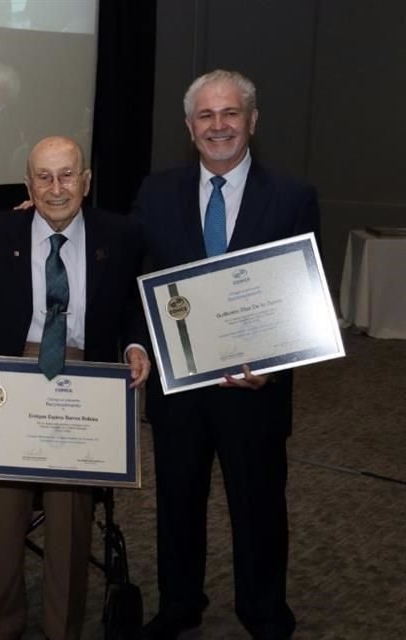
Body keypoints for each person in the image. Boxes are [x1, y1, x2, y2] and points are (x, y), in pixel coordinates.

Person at [133, 69, 320, 640]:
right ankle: (179, 605)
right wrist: (39, 212)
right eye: (206, 116)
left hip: (255, 390)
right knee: (178, 504)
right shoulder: (154, 192)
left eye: (230, 113)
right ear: (190, 128)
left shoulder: (292, 198)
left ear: (252, 122)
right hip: (179, 390)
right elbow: (129, 269)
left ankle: (264, 611)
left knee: (259, 506)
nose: (219, 126)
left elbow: (300, 296)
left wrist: (273, 363)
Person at [0, 136, 151, 640]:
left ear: (86, 181)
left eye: (67, 176)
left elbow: (133, 304)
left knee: (70, 514)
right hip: (11, 373)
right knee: (0, 511)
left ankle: (64, 629)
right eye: (44, 176)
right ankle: (6, 625)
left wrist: (135, 346)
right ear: (28, 183)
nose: (56, 188)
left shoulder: (121, 235)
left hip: (83, 375)